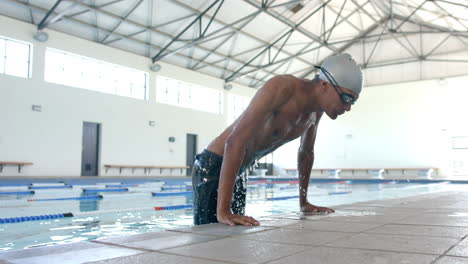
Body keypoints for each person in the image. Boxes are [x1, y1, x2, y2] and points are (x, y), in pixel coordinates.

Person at [192, 53, 363, 226]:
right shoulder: (282, 88)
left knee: (229, 238)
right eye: (346, 98)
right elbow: (235, 141)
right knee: (210, 237)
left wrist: (303, 202)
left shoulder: (316, 111)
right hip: (214, 165)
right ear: (325, 85)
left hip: (237, 170)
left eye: (353, 102)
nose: (348, 107)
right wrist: (223, 211)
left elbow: (306, 153)